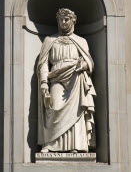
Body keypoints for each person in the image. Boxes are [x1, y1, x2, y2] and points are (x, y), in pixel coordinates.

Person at [37, 8, 96, 153]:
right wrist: (44, 82)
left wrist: (83, 65)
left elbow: (90, 63)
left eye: (66, 19)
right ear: (57, 21)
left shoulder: (81, 41)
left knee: (76, 111)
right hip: (56, 77)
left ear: (73, 20)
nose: (64, 22)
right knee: (53, 106)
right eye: (61, 19)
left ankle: (75, 145)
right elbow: (43, 63)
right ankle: (50, 144)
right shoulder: (50, 40)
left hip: (76, 77)